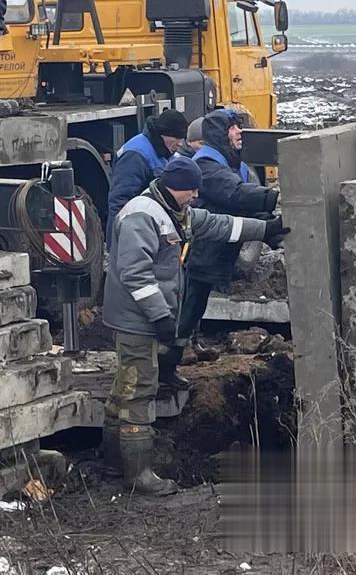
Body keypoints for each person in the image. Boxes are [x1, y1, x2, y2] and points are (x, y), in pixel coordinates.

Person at [101, 159, 289, 496]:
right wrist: (159, 316)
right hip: (137, 320)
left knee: (126, 388)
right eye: (192, 189)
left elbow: (219, 225)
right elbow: (134, 273)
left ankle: (115, 464)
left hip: (144, 316)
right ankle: (137, 473)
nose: (196, 195)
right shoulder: (143, 215)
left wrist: (265, 230)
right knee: (139, 388)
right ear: (177, 186)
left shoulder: (172, 209)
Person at [172, 109, 280, 384]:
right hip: (203, 248)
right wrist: (272, 199)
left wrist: (268, 225)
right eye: (233, 127)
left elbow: (232, 207)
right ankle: (173, 356)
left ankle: (186, 345)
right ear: (221, 134)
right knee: (190, 300)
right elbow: (233, 195)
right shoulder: (208, 165)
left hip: (216, 248)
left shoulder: (228, 163)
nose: (239, 132)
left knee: (198, 299)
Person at [105, 109, 189, 248]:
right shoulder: (136, 155)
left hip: (150, 229)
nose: (180, 144)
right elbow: (119, 201)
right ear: (163, 134)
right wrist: (120, 244)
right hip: (135, 233)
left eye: (182, 139)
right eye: (177, 138)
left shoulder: (164, 151)